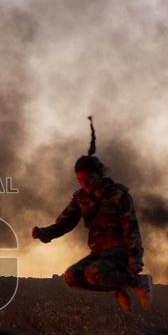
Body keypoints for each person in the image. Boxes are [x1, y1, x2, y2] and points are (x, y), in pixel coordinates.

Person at [31, 117, 153, 312]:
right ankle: (119, 286)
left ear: (99, 175)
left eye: (88, 179)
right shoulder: (81, 198)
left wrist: (135, 259)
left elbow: (131, 227)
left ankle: (137, 281)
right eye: (80, 180)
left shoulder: (117, 194)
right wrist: (45, 233)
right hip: (99, 254)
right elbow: (65, 222)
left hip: (119, 254)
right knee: (72, 277)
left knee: (93, 273)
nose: (84, 184)